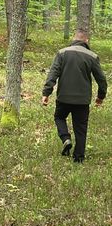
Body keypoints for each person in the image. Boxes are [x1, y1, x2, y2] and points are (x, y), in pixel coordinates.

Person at [42, 29, 107, 163]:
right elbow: (102, 80)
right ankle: (78, 158)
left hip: (63, 98)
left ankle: (66, 138)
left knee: (59, 117)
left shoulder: (62, 53)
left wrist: (46, 92)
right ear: (86, 40)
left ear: (74, 38)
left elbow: (53, 74)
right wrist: (100, 97)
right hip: (82, 101)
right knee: (81, 128)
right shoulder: (92, 56)